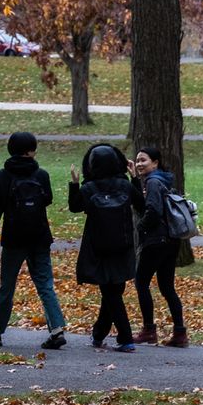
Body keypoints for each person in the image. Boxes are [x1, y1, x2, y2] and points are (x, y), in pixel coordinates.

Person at [0, 131, 68, 349]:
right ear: (30, 151)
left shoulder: (1, 176)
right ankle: (57, 329)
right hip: (39, 236)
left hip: (13, 238)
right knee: (45, 284)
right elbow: (47, 199)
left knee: (7, 286)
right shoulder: (41, 175)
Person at [68, 142, 143, 351]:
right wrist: (135, 178)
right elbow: (141, 205)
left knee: (111, 292)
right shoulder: (124, 186)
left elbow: (75, 207)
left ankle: (125, 338)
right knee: (114, 290)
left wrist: (74, 184)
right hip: (123, 244)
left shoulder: (89, 188)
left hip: (98, 246)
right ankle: (99, 333)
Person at [131, 146, 188, 347]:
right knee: (167, 287)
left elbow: (152, 211)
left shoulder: (154, 182)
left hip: (156, 241)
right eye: (137, 160)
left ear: (155, 162)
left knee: (141, 283)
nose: (139, 164)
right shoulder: (162, 180)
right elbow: (142, 205)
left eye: (143, 160)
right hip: (171, 241)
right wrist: (135, 181)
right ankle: (180, 333)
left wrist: (141, 227)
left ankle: (148, 331)